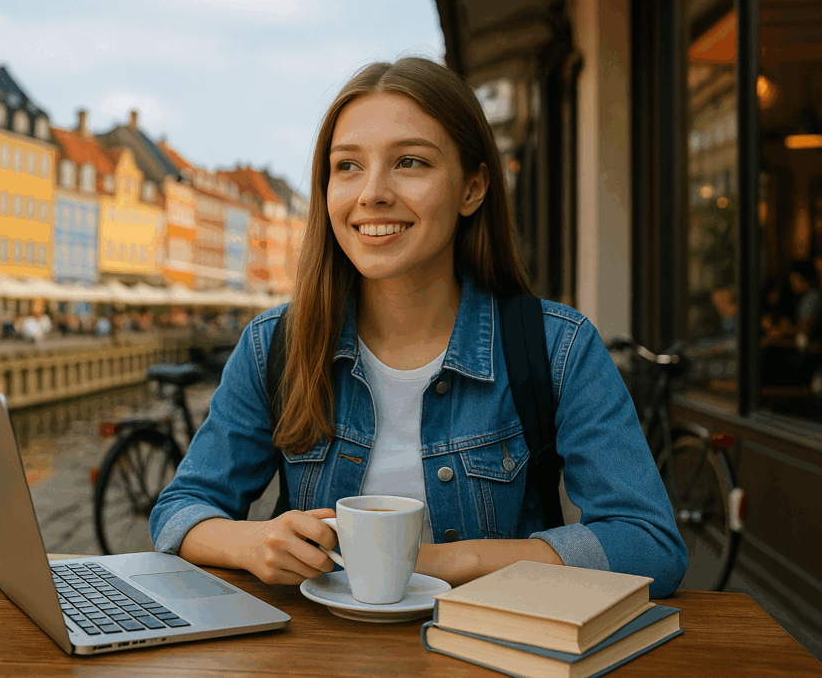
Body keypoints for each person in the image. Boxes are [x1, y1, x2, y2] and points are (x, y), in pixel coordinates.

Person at [150, 58, 687, 599]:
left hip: (487, 652)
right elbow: (180, 512)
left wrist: (447, 561)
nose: (373, 193)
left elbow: (649, 545)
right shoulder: (276, 345)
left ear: (473, 188)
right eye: (348, 166)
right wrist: (253, 543)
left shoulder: (556, 347)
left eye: (409, 162)